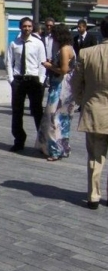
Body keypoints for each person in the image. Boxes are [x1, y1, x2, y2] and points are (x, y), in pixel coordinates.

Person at [71, 16, 108, 209]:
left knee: (95, 157)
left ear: (102, 32)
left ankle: (93, 196)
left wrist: (82, 102)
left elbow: (75, 83)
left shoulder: (86, 53)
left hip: (94, 111)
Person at [35, 23, 77, 161]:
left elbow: (63, 69)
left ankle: (55, 150)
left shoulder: (64, 49)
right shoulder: (69, 47)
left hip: (61, 86)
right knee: (63, 119)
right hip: (67, 86)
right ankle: (62, 147)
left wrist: (49, 66)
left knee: (54, 118)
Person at [5, 17, 47, 152]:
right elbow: (9, 62)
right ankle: (19, 140)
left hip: (34, 79)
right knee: (17, 111)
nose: (27, 28)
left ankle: (42, 141)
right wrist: (11, 79)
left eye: (29, 26)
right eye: (24, 26)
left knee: (37, 111)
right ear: (20, 27)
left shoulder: (38, 43)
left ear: (32, 27)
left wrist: (41, 80)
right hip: (18, 80)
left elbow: (43, 63)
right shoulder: (14, 43)